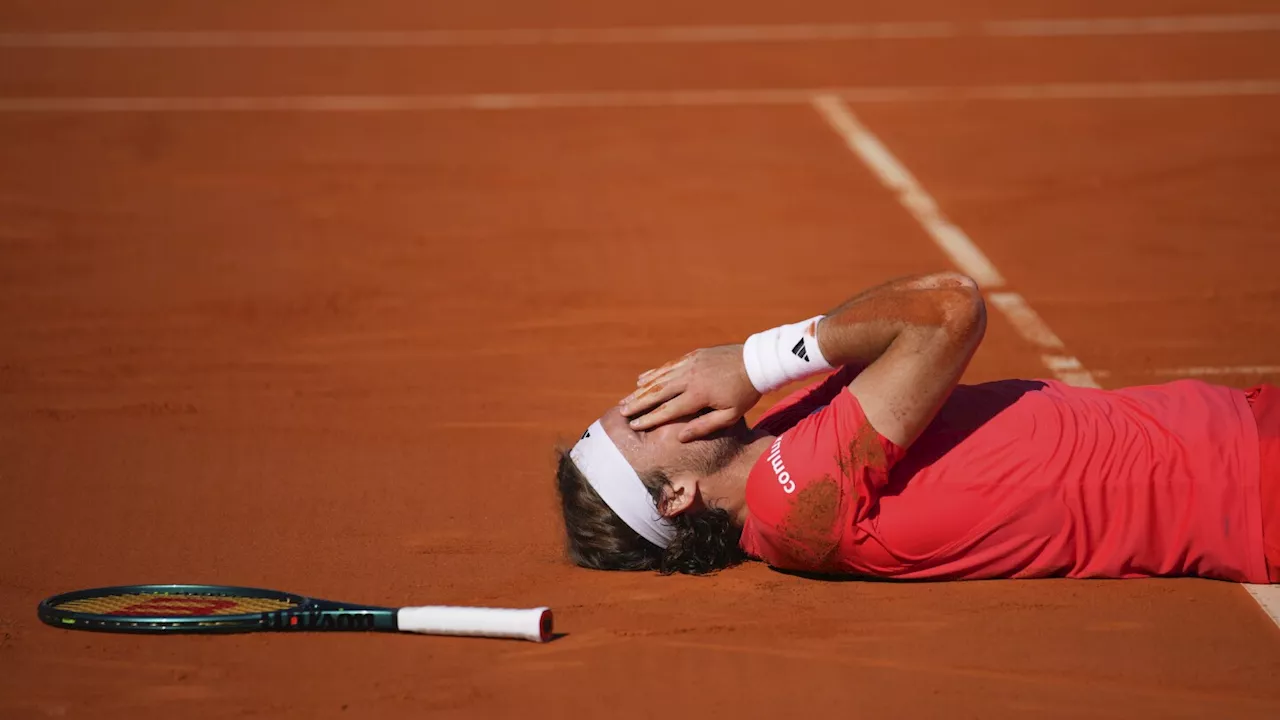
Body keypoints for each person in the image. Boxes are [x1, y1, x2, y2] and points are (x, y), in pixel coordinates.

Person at [554, 272, 1280, 582]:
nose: (659, 393)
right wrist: (755, 359)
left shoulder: (778, 441)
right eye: (645, 419)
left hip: (1239, 432)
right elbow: (946, 308)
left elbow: (885, 331)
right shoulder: (794, 500)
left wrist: (760, 378)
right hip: (1251, 489)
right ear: (679, 495)